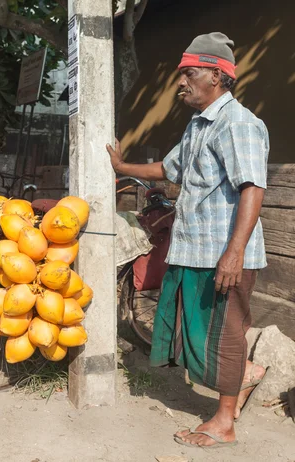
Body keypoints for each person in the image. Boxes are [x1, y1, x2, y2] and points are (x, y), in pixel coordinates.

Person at [107, 32, 269, 448]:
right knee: (199, 334)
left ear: (216, 76)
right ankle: (243, 379)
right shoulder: (199, 124)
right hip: (195, 250)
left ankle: (224, 423)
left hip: (223, 255)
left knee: (225, 335)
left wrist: (233, 255)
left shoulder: (240, 123)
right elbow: (169, 168)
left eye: (190, 73)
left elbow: (253, 188)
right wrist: (122, 165)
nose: (181, 82)